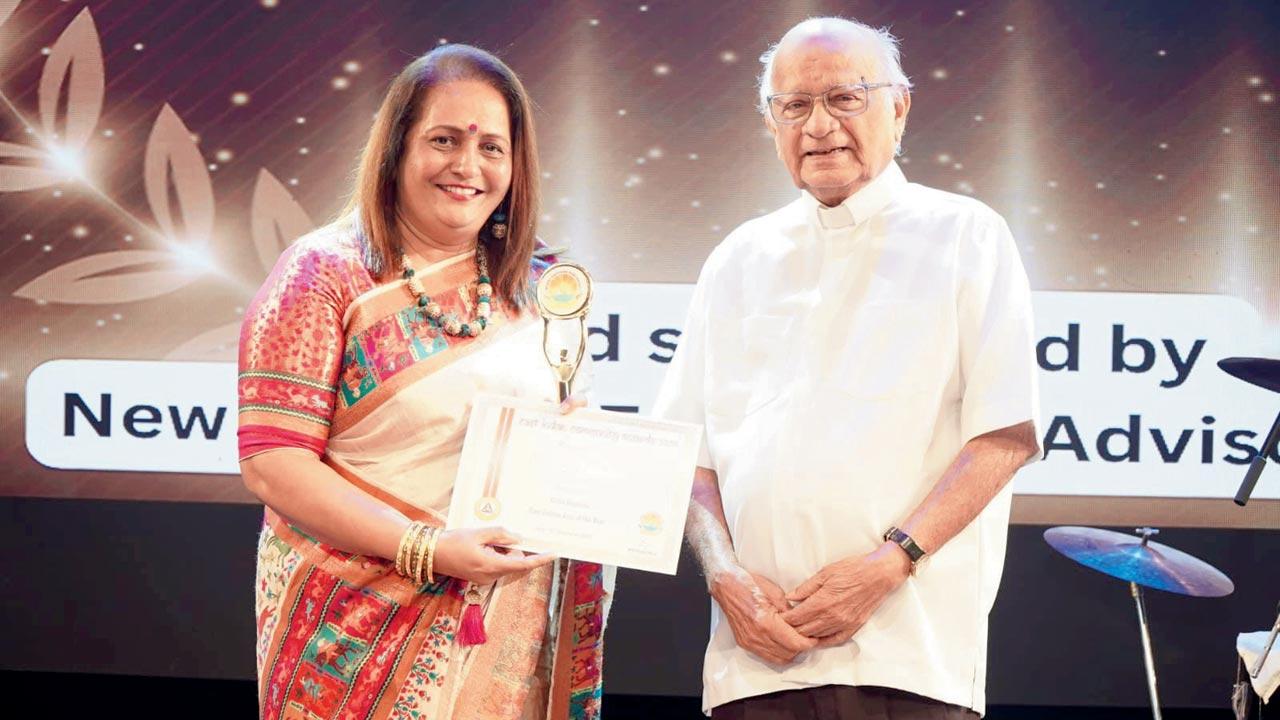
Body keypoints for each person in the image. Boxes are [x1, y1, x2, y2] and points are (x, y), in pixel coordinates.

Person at [653, 17, 1042, 719]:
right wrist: (725, 576)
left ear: (899, 107)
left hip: (907, 658)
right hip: (754, 658)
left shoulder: (966, 235)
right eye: (794, 105)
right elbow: (687, 454)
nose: (818, 125)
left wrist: (889, 563)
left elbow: (1004, 437)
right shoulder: (739, 257)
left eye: (844, 98)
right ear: (771, 123)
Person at [238, 44, 607, 720]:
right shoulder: (323, 272)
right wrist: (427, 548)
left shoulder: (540, 286)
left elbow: (566, 441)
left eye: (492, 147)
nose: (468, 166)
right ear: (397, 149)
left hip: (506, 631)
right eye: (444, 140)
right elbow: (273, 462)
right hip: (350, 633)